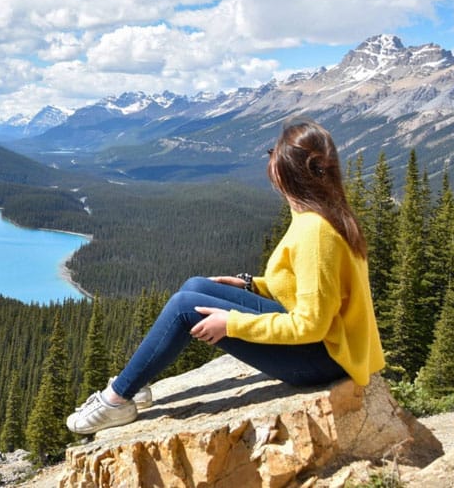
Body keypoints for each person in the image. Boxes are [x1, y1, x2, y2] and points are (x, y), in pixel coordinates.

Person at [67, 119, 385, 435]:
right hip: (329, 348)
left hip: (327, 359)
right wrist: (251, 285)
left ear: (287, 170)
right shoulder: (320, 214)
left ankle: (116, 399)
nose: (269, 159)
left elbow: (311, 324)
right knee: (196, 286)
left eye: (273, 152)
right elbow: (311, 288)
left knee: (183, 308)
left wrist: (231, 323)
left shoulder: (315, 230)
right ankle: (136, 382)